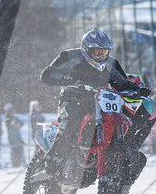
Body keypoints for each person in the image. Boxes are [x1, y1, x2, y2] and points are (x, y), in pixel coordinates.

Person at [36, 28, 148, 178]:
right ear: (87, 50)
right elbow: (47, 73)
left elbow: (123, 83)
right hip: (73, 98)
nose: (102, 56)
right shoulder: (70, 56)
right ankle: (53, 159)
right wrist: (66, 79)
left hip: (99, 101)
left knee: (114, 118)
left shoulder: (111, 64)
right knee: (72, 118)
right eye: (98, 53)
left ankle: (111, 156)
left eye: (105, 52)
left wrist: (137, 90)